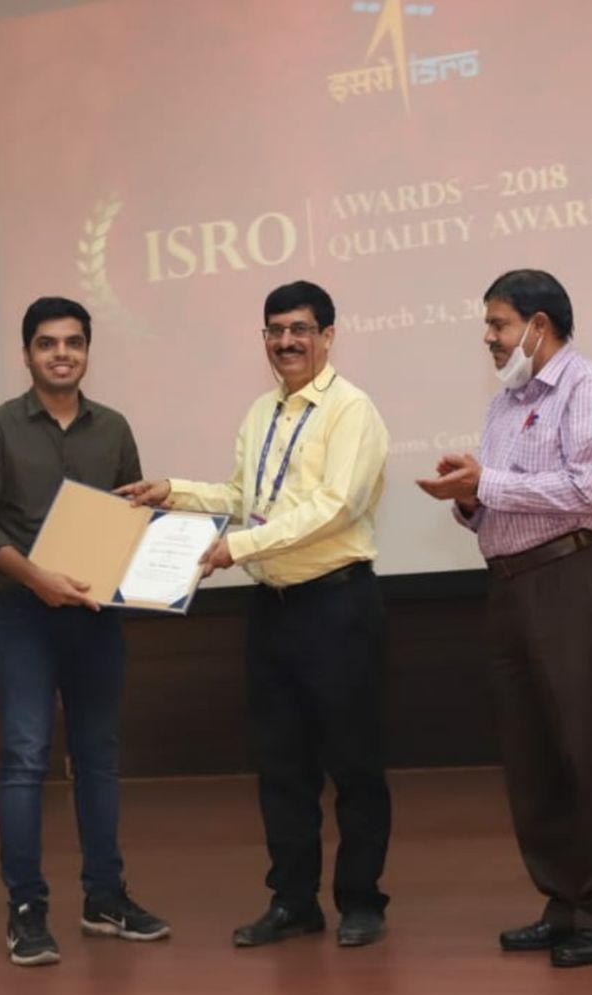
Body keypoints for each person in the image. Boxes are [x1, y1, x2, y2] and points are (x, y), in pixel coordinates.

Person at [119, 280, 391, 948]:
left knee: (353, 763)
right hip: (272, 611)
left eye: (300, 329)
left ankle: (362, 900)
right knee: (281, 764)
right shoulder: (260, 412)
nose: (287, 341)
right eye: (275, 330)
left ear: (330, 334)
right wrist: (174, 492)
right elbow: (246, 495)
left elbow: (333, 507)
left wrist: (235, 546)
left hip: (336, 602)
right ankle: (293, 900)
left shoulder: (352, 411)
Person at [417, 269, 592, 968]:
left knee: (587, 748)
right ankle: (564, 900)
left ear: (539, 327)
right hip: (511, 586)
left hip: (568, 580)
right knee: (533, 753)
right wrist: (469, 496)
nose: (489, 339)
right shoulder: (506, 403)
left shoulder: (591, 388)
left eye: (498, 324)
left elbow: (586, 488)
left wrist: (488, 482)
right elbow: (505, 501)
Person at [0, 296, 170, 967]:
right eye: (47, 343)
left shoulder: (113, 428)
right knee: (24, 757)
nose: (61, 353)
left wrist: (163, 540)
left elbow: (131, 514)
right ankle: (26, 907)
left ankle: (104, 896)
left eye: (73, 342)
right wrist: (38, 577)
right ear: (27, 353)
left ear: (86, 350)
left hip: (95, 618)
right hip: (24, 615)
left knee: (99, 757)